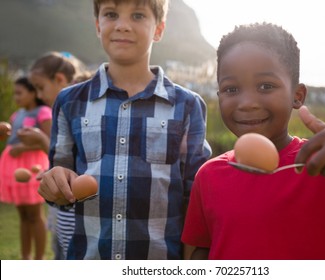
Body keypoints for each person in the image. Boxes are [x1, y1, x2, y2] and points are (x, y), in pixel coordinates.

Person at [181, 22, 325, 260]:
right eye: (231, 89)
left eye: (266, 86)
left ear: (297, 95)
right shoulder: (209, 176)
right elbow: (202, 249)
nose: (247, 102)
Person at [37, 0, 211, 260]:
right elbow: (59, 187)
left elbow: (195, 201)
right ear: (98, 26)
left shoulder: (187, 105)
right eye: (111, 14)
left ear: (159, 29)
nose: (122, 25)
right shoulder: (70, 101)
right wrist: (55, 185)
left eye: (138, 15)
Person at [20, 51, 90, 260]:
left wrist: (41, 141)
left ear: (59, 79)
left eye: (40, 88)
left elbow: (77, 157)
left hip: (75, 213)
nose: (39, 96)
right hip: (62, 210)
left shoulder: (81, 108)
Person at [0, 77, 52, 259]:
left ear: (33, 92)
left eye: (19, 93)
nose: (16, 97)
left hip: (32, 166)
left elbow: (49, 141)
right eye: (15, 93)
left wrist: (24, 148)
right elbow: (12, 137)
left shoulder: (43, 112)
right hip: (13, 165)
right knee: (22, 213)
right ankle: (25, 257)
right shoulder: (17, 115)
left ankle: (38, 259)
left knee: (34, 214)